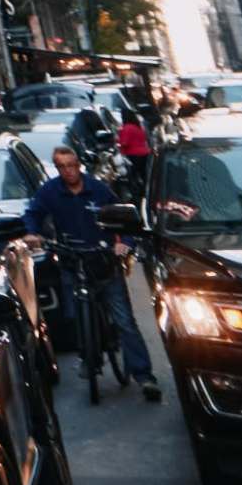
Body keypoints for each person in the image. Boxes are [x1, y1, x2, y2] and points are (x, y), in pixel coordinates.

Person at [27, 142, 157, 400]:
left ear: (79, 166)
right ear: (57, 169)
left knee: (125, 322)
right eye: (62, 167)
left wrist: (123, 243)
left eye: (71, 166)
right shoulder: (49, 192)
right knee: (75, 316)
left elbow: (125, 219)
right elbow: (33, 213)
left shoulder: (98, 190)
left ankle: (145, 377)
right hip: (72, 262)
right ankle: (89, 356)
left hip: (103, 262)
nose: (68, 171)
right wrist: (32, 233)